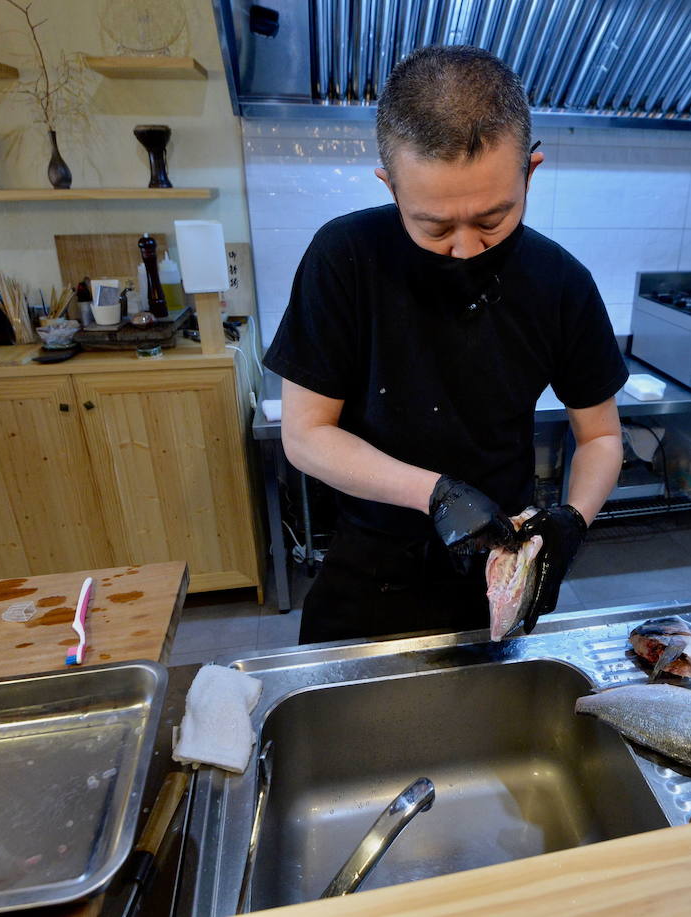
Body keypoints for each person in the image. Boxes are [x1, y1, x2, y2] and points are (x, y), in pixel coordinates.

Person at [264, 45, 627, 644]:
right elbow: (305, 435)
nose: (464, 249)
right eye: (433, 225)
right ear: (391, 186)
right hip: (369, 565)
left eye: (492, 219)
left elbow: (602, 435)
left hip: (501, 564)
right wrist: (434, 493)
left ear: (530, 172)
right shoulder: (346, 257)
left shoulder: (560, 282)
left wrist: (572, 522)